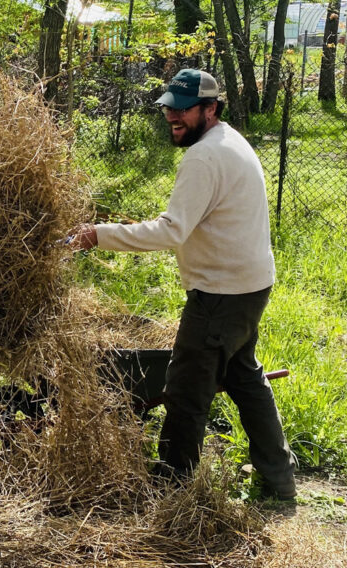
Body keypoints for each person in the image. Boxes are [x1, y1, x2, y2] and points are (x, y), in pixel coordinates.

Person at [69, 69, 297, 500]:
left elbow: (172, 231)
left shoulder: (204, 156)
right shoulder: (229, 141)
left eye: (184, 107)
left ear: (210, 109)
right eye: (170, 106)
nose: (173, 115)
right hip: (250, 286)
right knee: (245, 377)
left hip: (221, 293)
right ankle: (279, 478)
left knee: (186, 389)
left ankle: (173, 490)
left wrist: (98, 234)